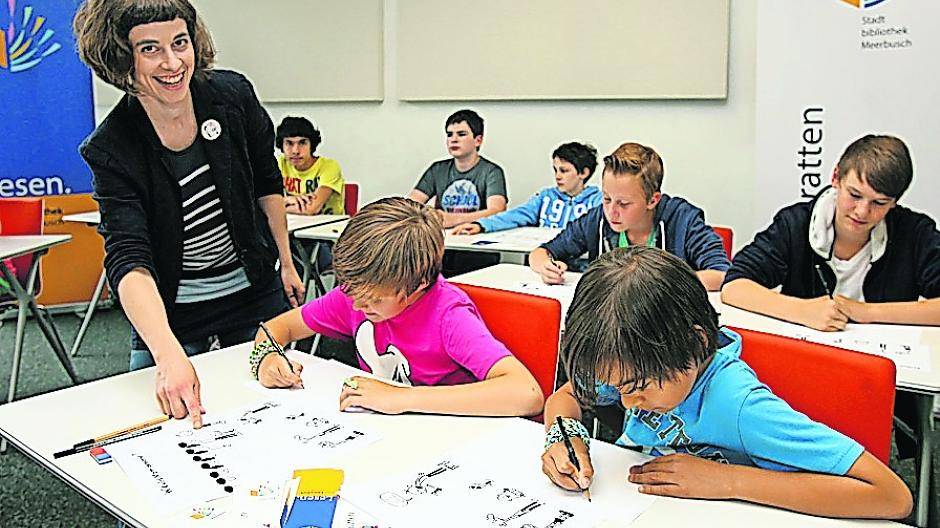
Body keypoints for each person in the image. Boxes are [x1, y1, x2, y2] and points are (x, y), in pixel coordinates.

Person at [541, 247, 913, 519]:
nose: (626, 402)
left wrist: (727, 481)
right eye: (618, 387)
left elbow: (890, 495)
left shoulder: (738, 405)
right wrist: (564, 435)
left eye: (636, 386)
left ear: (697, 342)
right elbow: (568, 395)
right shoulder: (637, 367)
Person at [74, 0, 304, 428]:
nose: (172, 62)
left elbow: (267, 184)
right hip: (173, 309)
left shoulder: (232, 97)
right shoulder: (111, 148)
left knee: (281, 416)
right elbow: (128, 257)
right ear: (122, 57)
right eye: (149, 49)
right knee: (165, 424)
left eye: (180, 42)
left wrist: (286, 263)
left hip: (252, 292)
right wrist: (166, 352)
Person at [250, 197, 543, 417]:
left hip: (446, 434)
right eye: (352, 292)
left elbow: (526, 393)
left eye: (375, 300)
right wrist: (265, 358)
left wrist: (402, 398)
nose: (358, 305)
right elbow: (279, 327)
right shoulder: (356, 294)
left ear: (418, 286)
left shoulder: (448, 315)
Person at [721, 134, 940, 330]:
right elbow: (734, 287)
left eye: (879, 202)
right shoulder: (795, 224)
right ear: (836, 177)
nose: (862, 211)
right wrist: (802, 311)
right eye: (854, 195)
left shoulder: (915, 232)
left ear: (894, 202)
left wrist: (867, 312)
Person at [528, 142, 729, 290]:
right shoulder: (597, 219)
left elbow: (721, 274)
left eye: (624, 204)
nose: (611, 212)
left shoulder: (682, 219)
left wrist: (664, 285)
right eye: (606, 199)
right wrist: (547, 267)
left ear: (652, 200)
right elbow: (540, 253)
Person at [451, 142, 601, 235]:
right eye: (555, 170)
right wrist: (481, 225)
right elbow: (516, 215)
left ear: (583, 173)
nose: (558, 176)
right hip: (544, 262)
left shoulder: (598, 201)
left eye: (564, 171)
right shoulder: (545, 197)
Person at [408, 109, 507, 229]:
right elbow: (409, 206)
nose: (453, 139)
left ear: (478, 140)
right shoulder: (437, 169)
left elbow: (497, 211)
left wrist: (453, 219)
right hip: (443, 236)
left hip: (475, 235)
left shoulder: (492, 171)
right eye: (449, 134)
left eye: (461, 134)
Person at [275, 116, 345, 216]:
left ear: (312, 145)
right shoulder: (279, 164)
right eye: (289, 143)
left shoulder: (329, 166)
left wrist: (279, 205)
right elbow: (260, 202)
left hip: (328, 226)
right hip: (294, 224)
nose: (295, 151)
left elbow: (312, 209)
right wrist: (287, 200)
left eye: (302, 143)